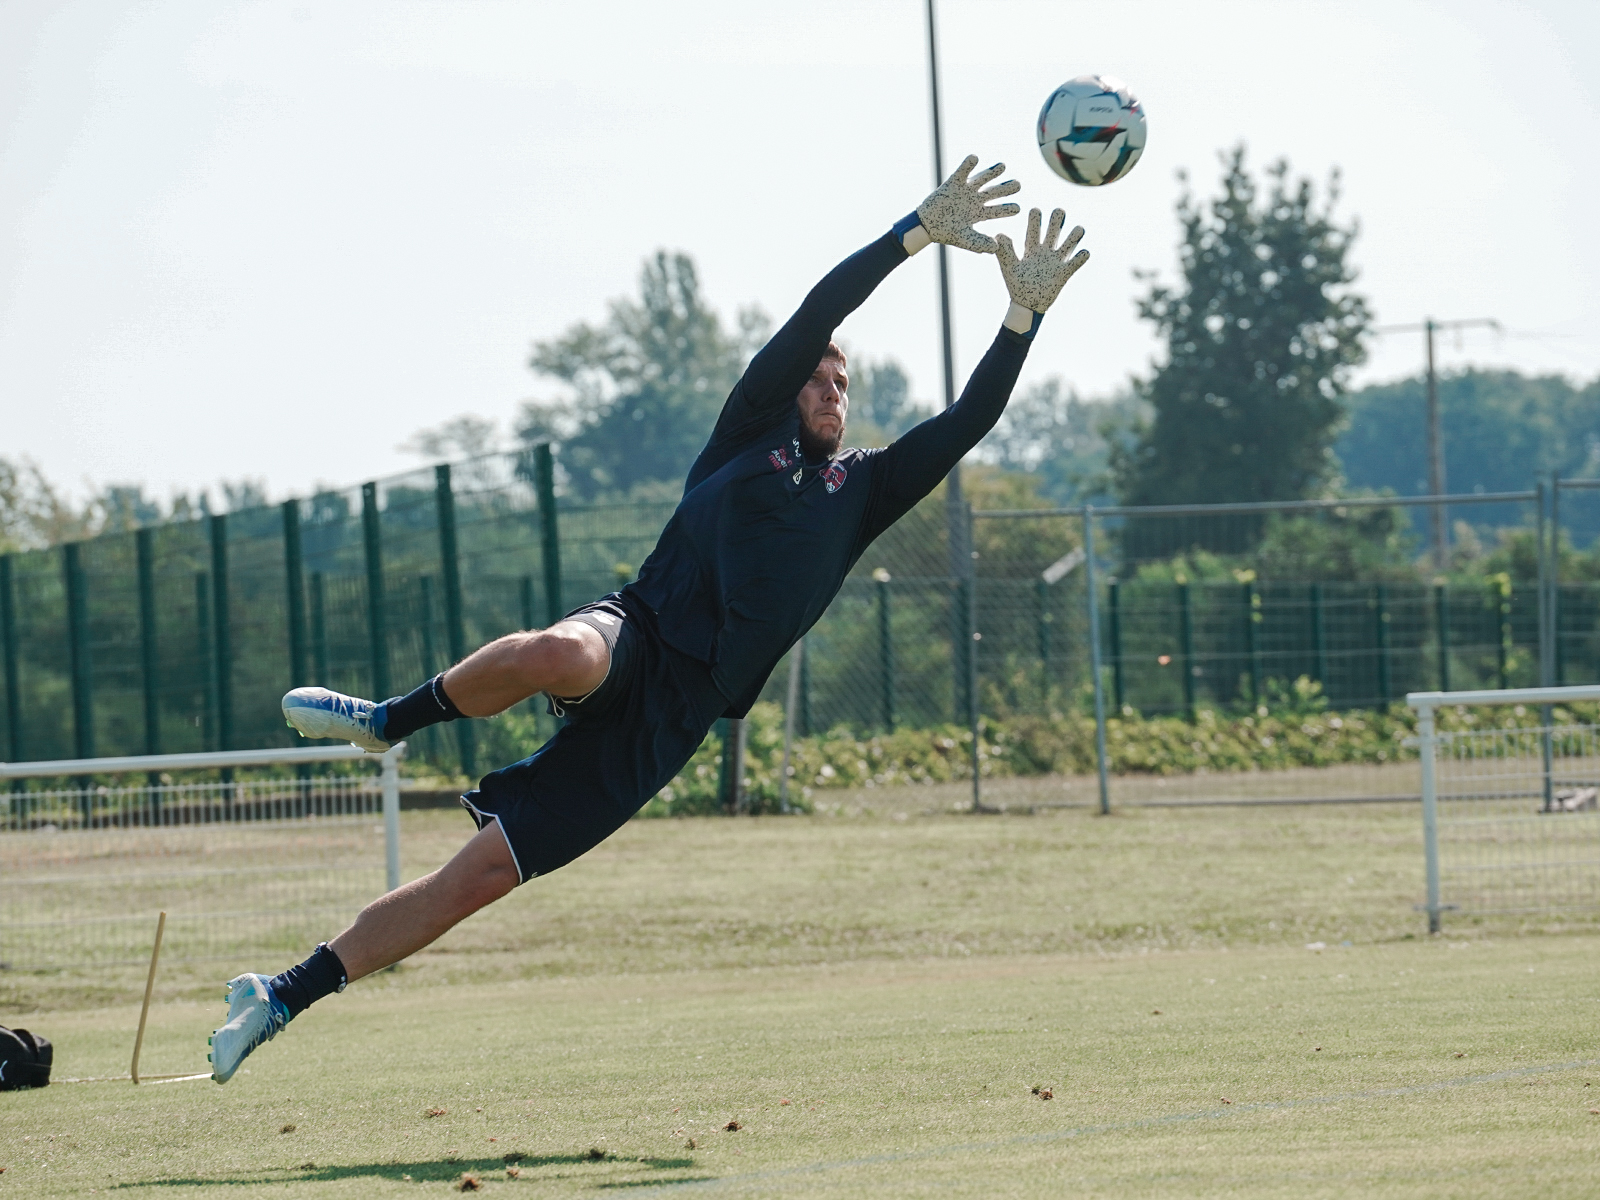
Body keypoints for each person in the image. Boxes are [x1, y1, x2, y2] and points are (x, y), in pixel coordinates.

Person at [207, 156, 1089, 1083]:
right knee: (558, 651)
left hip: (681, 712)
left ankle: (281, 995)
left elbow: (968, 420)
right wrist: (914, 232)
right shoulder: (749, 427)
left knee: (483, 877)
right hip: (638, 627)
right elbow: (819, 311)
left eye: (845, 381)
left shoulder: (864, 490)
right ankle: (390, 723)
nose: (835, 385)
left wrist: (1021, 317)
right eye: (822, 375)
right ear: (788, 384)